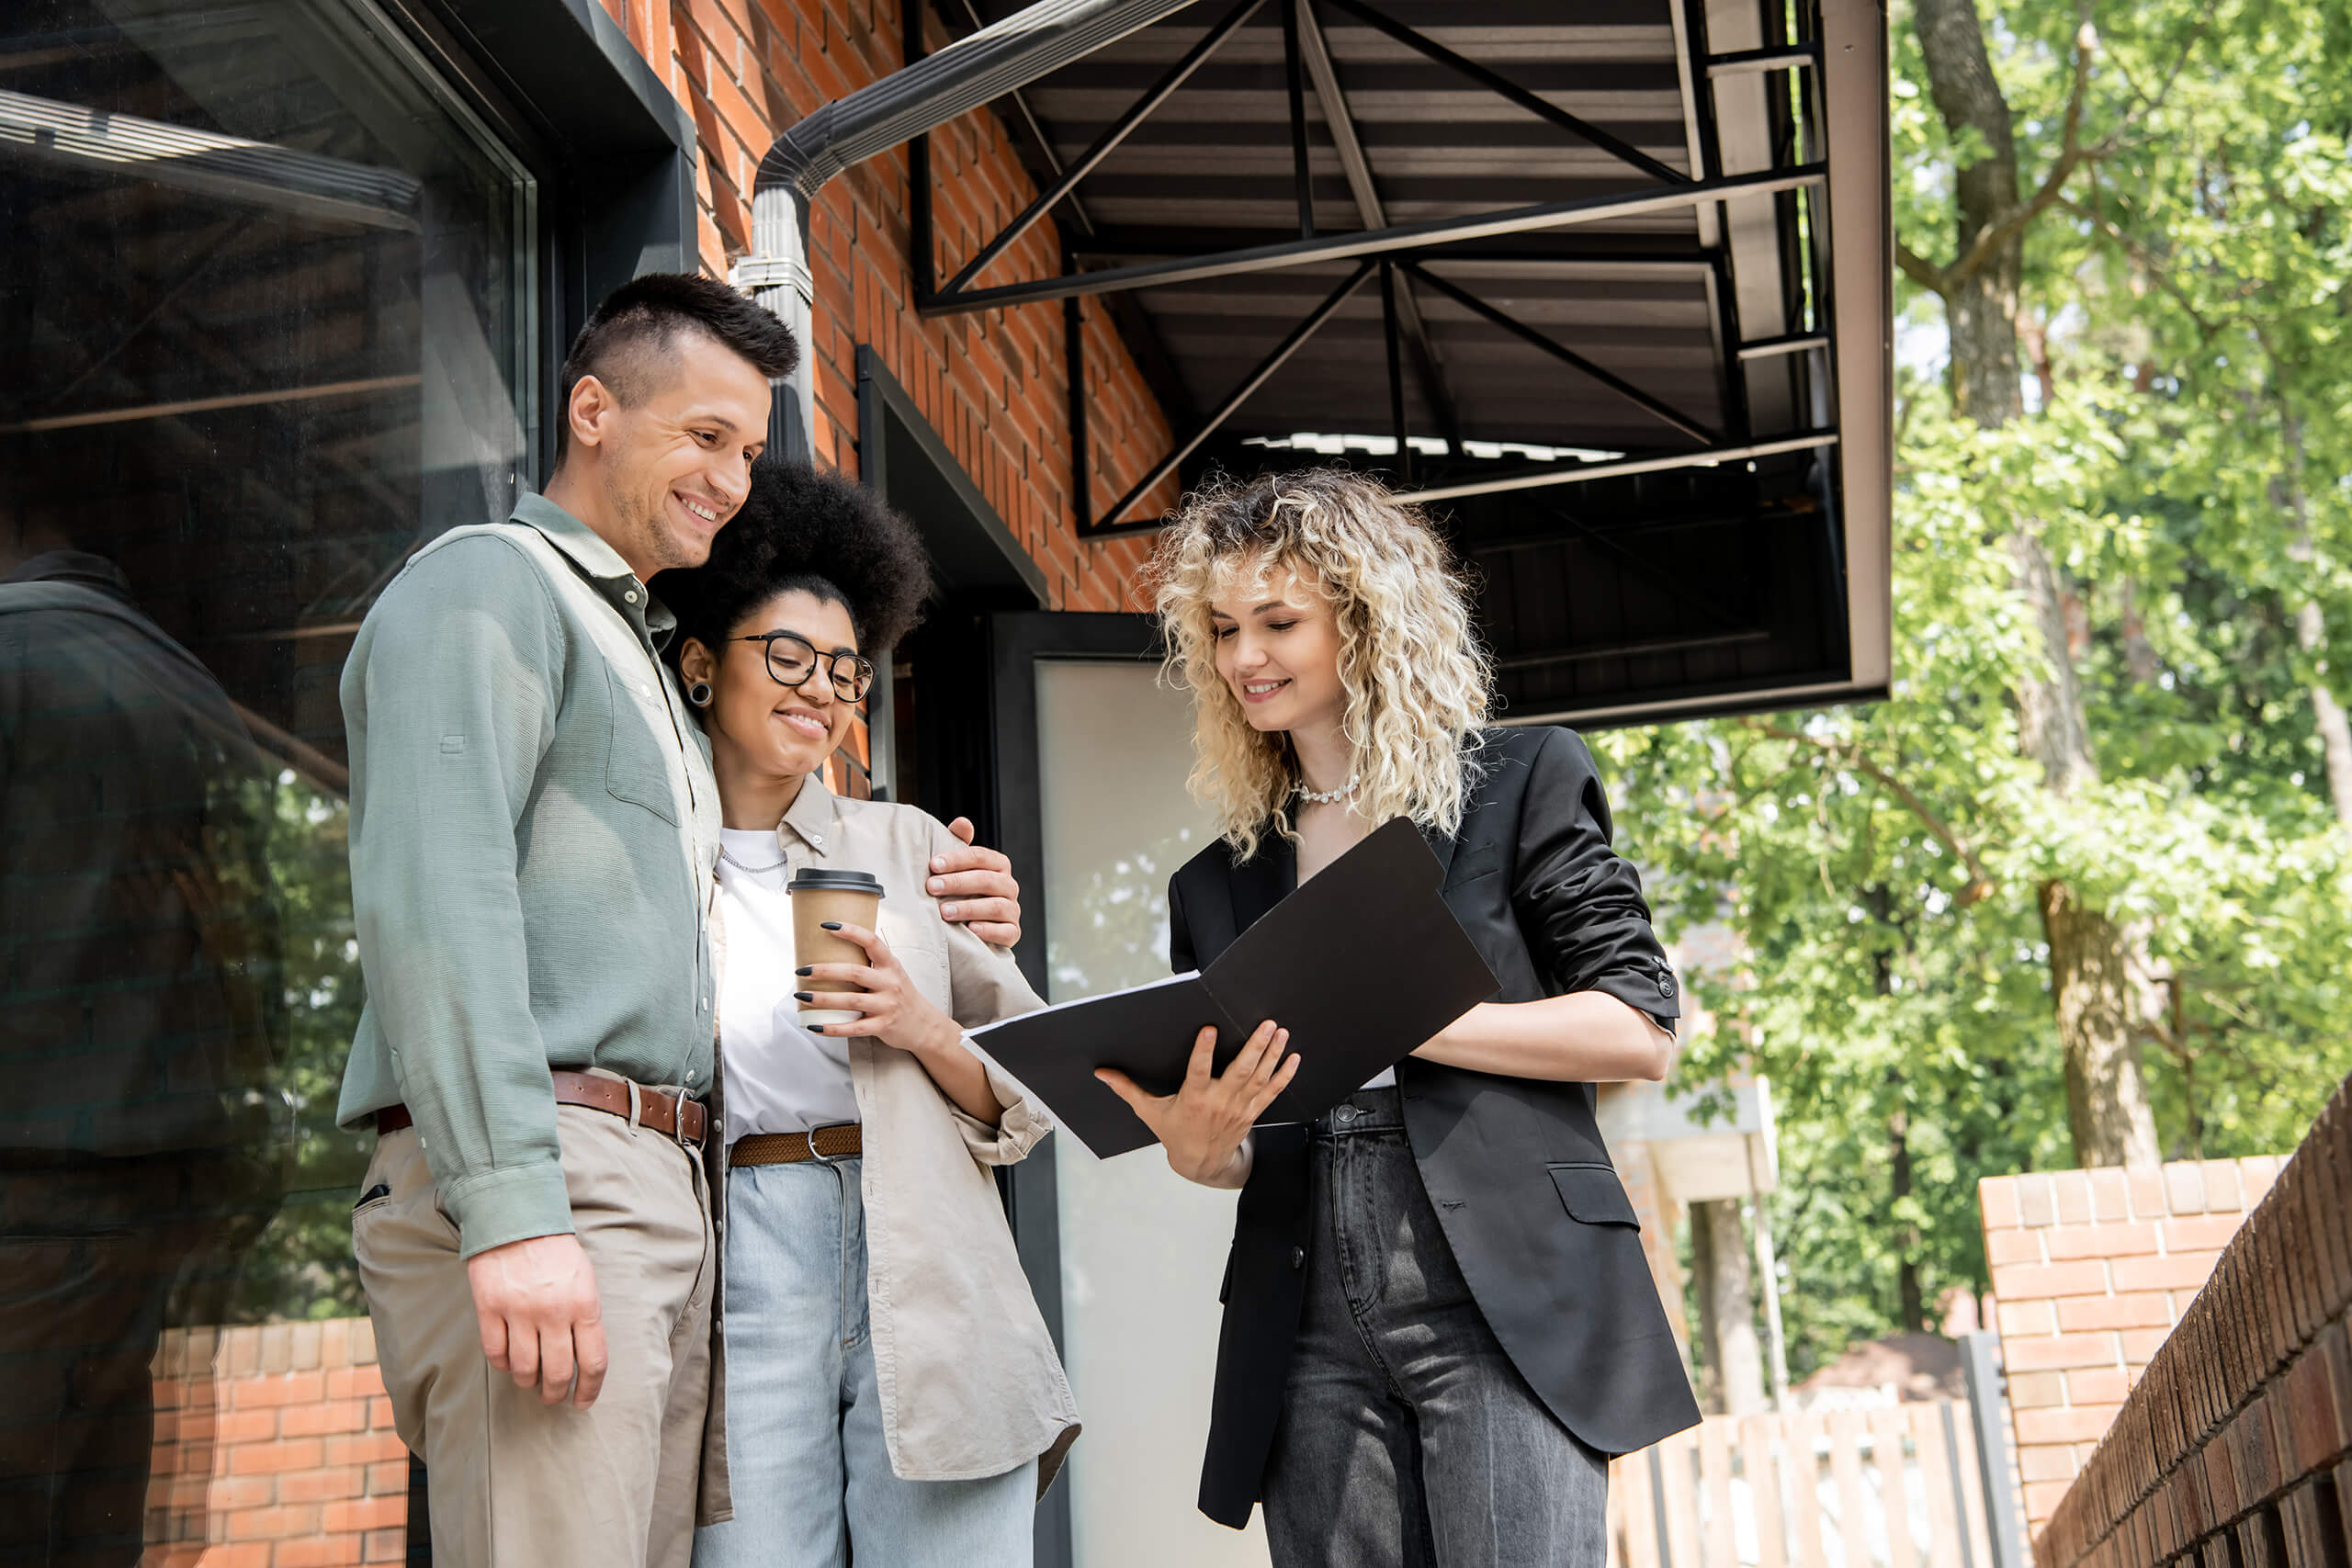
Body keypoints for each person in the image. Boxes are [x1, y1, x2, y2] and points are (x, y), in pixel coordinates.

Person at [335, 274, 1029, 1568]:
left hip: (655, 1197)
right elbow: (439, 899)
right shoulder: (494, 584)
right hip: (564, 1171)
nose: (731, 475)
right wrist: (513, 1206)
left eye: (750, 448)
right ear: (592, 410)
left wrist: (943, 889)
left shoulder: (633, 651)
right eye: (704, 435)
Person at [1097, 468, 1702, 1567]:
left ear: (1365, 622)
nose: (1244, 658)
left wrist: (1400, 1019)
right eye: (1223, 629)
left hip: (1500, 1285)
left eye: (1278, 623)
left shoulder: (1515, 784)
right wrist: (1198, 1149)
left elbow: (1637, 1029)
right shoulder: (1213, 883)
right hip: (1305, 1304)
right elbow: (1240, 1136)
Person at [662, 461, 1074, 1568]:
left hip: (922, 1244)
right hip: (739, 1246)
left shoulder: (910, 849)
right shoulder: (647, 861)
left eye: (844, 671)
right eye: (786, 656)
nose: (820, 689)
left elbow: (1035, 1091)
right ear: (703, 665)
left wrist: (918, 1022)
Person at [0, 537, 285, 1564]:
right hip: (156, 1193)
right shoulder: (195, 699)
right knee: (97, 1518)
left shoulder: (17, 656)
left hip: (30, 1189)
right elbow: (255, 963)